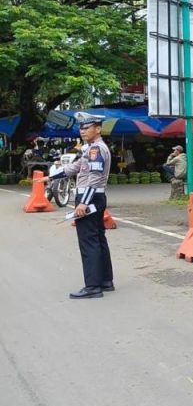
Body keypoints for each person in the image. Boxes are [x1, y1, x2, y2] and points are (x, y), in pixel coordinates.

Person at [43, 112, 115, 299]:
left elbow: (95, 178)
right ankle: (106, 281)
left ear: (98, 129)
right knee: (98, 239)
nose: (82, 131)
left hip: (89, 196)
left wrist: (83, 203)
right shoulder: (90, 148)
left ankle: (92, 287)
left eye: (87, 127)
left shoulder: (96, 150)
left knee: (88, 242)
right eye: (81, 128)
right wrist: (52, 176)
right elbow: (75, 167)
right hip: (96, 197)